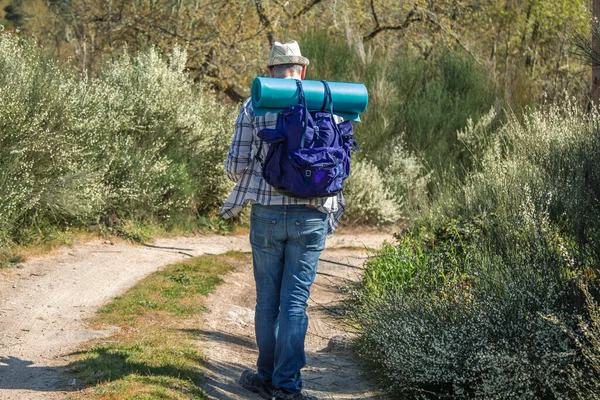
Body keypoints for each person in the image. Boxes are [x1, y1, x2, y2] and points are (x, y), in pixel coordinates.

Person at [220, 40, 346, 400]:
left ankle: (265, 376)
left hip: (267, 216)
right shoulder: (329, 102)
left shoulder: (254, 105)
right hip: (312, 215)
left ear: (271, 71)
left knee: (267, 301)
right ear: (302, 71)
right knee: (295, 303)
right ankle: (286, 387)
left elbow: (234, 168)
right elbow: (338, 160)